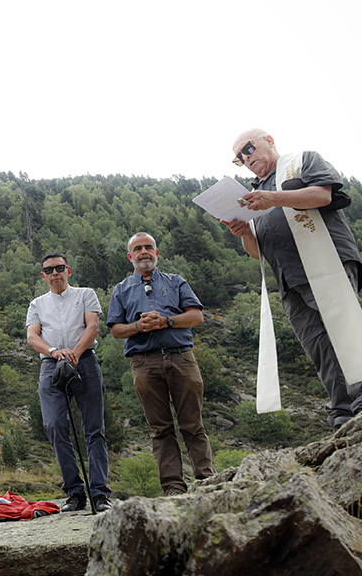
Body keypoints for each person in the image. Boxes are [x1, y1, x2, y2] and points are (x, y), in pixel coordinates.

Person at [224, 129, 362, 426]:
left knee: (344, 329)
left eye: (248, 148)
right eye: (239, 158)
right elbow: (257, 252)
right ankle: (342, 411)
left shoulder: (302, 161)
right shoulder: (250, 196)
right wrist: (246, 232)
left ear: (269, 141)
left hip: (327, 261)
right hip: (288, 278)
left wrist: (272, 198)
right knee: (318, 345)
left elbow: (322, 195)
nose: (246, 158)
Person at [107, 232, 216, 495]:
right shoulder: (121, 290)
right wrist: (138, 326)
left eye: (149, 247)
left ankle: (206, 481)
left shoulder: (176, 282)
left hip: (181, 357)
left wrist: (166, 321)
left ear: (156, 253)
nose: (144, 252)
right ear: (130, 256)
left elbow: (196, 316)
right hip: (144, 362)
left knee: (193, 424)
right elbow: (116, 330)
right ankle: (173, 489)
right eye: (138, 248)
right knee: (160, 429)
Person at [26, 253, 112, 513]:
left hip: (84, 360)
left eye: (59, 268)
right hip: (51, 365)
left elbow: (93, 325)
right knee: (54, 426)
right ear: (43, 276)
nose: (55, 273)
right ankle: (74, 493)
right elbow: (32, 336)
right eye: (49, 270)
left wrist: (74, 351)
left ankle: (99, 494)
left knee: (94, 428)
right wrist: (54, 351)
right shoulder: (37, 304)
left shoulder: (86, 294)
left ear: (68, 270)